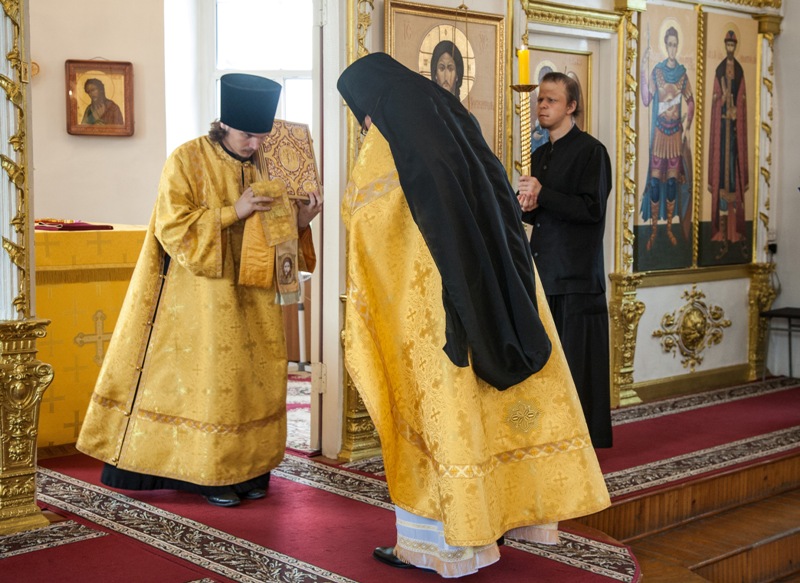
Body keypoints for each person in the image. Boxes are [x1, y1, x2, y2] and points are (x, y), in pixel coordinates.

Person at [338, 53, 610, 578]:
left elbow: (366, 221)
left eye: (363, 117)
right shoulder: (453, 123)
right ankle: (501, 521)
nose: (366, 128)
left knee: (442, 422)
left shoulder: (390, 141)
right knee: (487, 414)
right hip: (498, 291)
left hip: (434, 318)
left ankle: (443, 546)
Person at [76, 73, 322, 508]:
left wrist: (301, 222)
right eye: (247, 136)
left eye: (262, 136)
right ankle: (210, 475)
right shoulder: (187, 159)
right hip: (203, 297)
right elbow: (171, 226)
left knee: (255, 381)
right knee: (212, 382)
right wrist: (233, 211)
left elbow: (279, 230)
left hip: (257, 297)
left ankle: (251, 468)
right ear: (224, 124)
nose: (255, 145)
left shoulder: (270, 162)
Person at [518, 71, 613, 448]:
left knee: (576, 367)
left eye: (551, 100)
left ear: (571, 106)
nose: (542, 106)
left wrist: (542, 194)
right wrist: (523, 205)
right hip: (543, 275)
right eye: (540, 99)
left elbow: (591, 210)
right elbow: (536, 214)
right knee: (546, 367)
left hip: (576, 279)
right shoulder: (539, 155)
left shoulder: (592, 152)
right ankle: (546, 437)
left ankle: (579, 442)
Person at [640, 25, 694, 251]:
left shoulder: (682, 74)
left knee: (672, 183)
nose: (672, 48)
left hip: (675, 136)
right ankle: (654, 230)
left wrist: (687, 126)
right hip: (660, 134)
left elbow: (690, 102)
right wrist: (643, 72)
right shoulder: (658, 72)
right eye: (669, 44)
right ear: (665, 45)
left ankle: (670, 228)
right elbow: (646, 99)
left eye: (675, 45)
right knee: (655, 183)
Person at [708, 30, 749, 259]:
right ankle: (723, 236)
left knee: (734, 183)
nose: (731, 48)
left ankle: (736, 234)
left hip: (734, 137)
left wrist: (736, 112)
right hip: (722, 137)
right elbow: (715, 101)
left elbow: (742, 101)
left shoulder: (740, 71)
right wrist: (722, 100)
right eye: (728, 45)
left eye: (733, 45)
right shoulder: (719, 70)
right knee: (722, 185)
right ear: (725, 46)